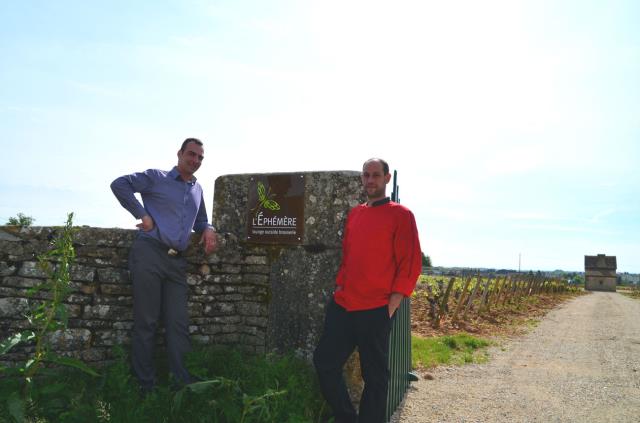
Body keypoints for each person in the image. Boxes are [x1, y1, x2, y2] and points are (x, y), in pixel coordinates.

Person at [313, 158, 422, 423]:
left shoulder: (401, 214)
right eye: (366, 175)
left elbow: (410, 264)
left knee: (375, 377)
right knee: (324, 362)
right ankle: (346, 418)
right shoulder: (356, 213)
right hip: (344, 304)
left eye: (375, 175)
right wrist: (340, 285)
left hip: (376, 307)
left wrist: (391, 306)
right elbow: (348, 256)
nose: (370, 180)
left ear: (386, 179)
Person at [111, 138, 218, 393]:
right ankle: (145, 387)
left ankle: (182, 383)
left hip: (176, 261)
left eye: (200, 158)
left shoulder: (197, 188)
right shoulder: (156, 177)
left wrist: (209, 228)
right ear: (180, 153)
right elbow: (120, 184)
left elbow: (200, 219)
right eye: (191, 154)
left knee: (178, 324)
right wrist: (142, 214)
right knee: (146, 322)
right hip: (149, 253)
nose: (196, 160)